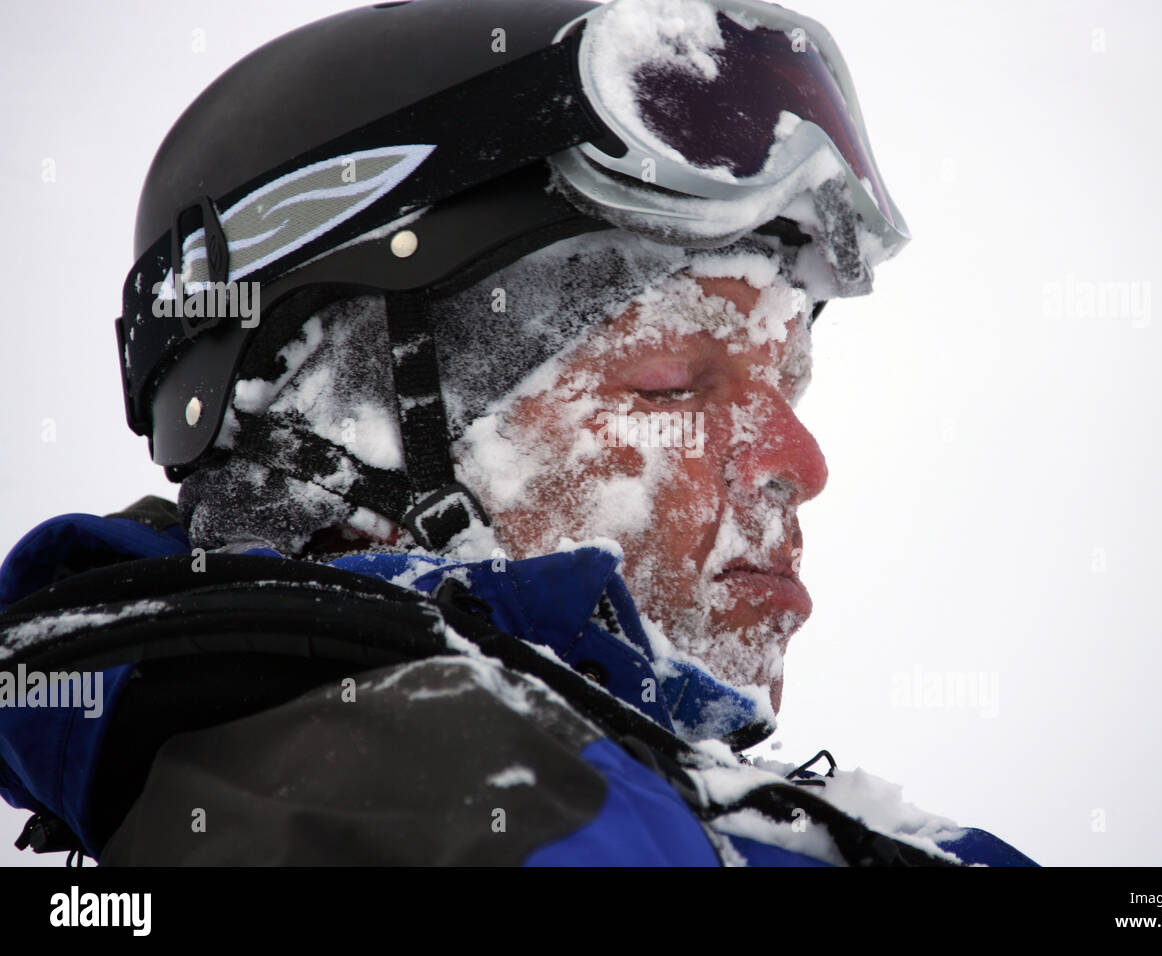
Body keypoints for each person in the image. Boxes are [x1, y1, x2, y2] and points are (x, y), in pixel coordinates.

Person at [0, 0, 1036, 866]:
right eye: (671, 382)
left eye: (788, 391)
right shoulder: (446, 804)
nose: (800, 464)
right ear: (342, 432)